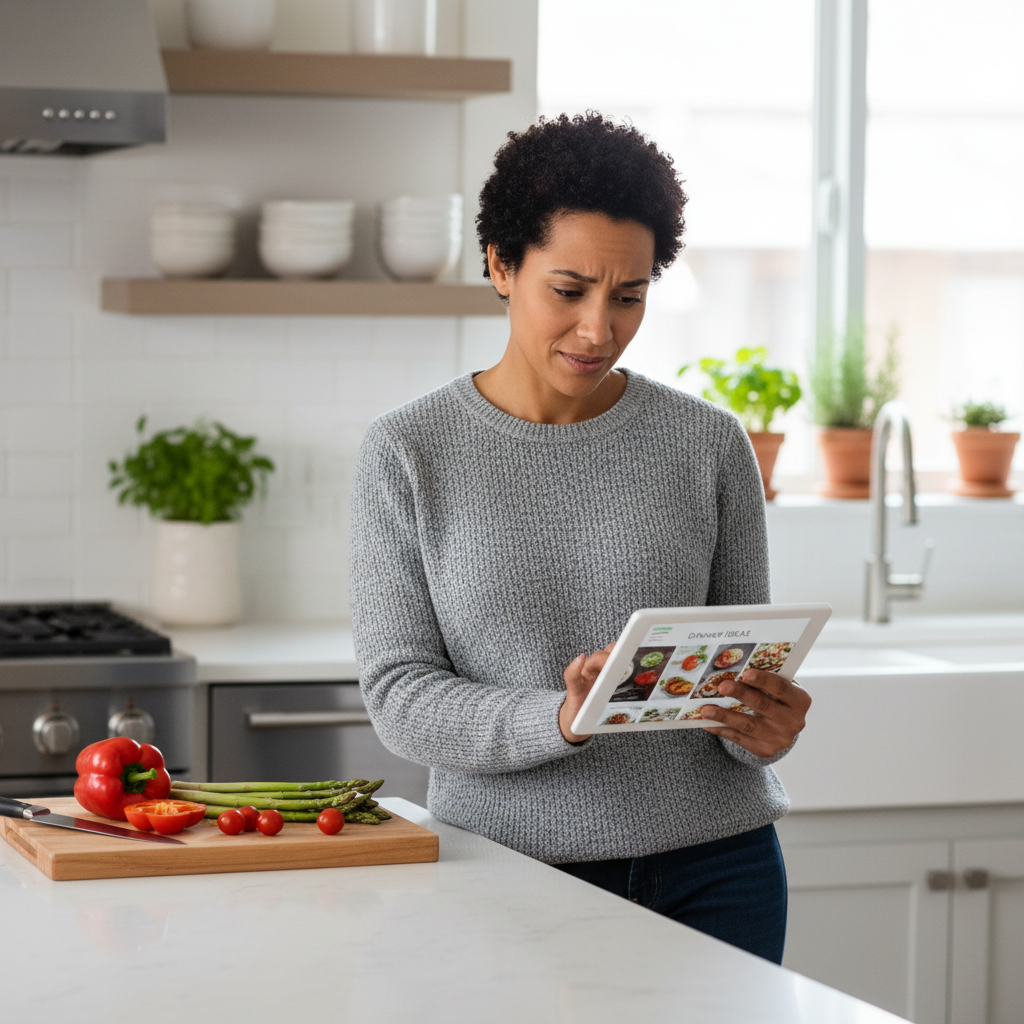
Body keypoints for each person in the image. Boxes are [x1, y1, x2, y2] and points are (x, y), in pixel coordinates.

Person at [350, 112, 811, 964]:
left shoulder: (708, 444)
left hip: (722, 869)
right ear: (500, 265)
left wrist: (762, 725)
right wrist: (559, 717)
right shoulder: (409, 452)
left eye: (629, 296)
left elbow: (734, 666)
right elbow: (399, 695)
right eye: (569, 290)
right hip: (508, 873)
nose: (600, 329)